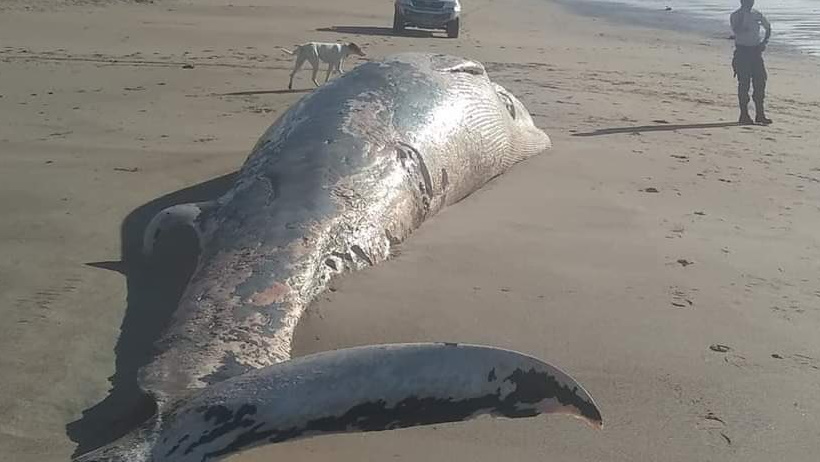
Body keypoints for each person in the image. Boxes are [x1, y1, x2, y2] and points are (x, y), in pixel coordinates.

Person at [730, 0, 772, 125]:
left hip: (755, 52)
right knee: (744, 84)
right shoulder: (736, 15)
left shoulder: (757, 14)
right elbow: (737, 30)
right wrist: (744, 16)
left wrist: (764, 42)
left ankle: (760, 114)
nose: (750, 3)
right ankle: (744, 114)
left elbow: (768, 27)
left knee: (760, 82)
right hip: (742, 52)